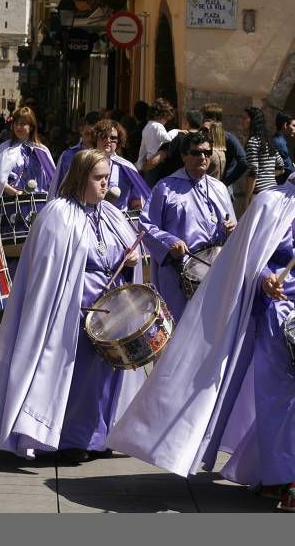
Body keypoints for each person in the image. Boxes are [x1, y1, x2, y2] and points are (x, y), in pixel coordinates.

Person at [106, 172, 295, 513]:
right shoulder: (271, 203)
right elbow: (250, 256)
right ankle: (281, 478)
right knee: (280, 396)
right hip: (277, 313)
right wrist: (267, 279)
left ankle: (275, 473)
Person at [0, 149, 145, 462]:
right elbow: (46, 273)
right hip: (72, 312)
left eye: (107, 178)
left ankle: (97, 437)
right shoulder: (58, 214)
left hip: (111, 313)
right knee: (77, 378)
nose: (105, 185)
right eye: (98, 178)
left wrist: (130, 259)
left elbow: (128, 250)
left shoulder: (112, 214)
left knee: (106, 378)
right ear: (80, 178)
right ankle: (68, 441)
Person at [140, 131, 236, 321]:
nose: (203, 157)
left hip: (215, 270)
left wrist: (233, 228)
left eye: (207, 153)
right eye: (197, 153)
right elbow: (146, 226)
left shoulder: (220, 188)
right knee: (182, 327)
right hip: (180, 270)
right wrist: (170, 243)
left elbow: (233, 225)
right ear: (184, 156)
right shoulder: (166, 187)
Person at [0, 106, 55, 199]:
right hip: (11, 204)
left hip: (38, 204)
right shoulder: (5, 149)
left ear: (31, 127)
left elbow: (53, 181)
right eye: (16, 123)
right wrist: (15, 193)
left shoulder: (42, 151)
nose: (18, 127)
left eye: (23, 124)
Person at [87, 119, 151, 212]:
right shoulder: (84, 163)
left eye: (113, 138)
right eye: (103, 136)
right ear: (96, 138)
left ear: (118, 142)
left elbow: (136, 202)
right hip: (89, 218)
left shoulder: (127, 168)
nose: (108, 140)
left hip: (119, 221)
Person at [50, 111, 101, 197]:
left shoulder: (106, 155)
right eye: (87, 134)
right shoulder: (68, 155)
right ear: (81, 131)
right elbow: (57, 186)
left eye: (94, 135)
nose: (90, 139)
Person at [243, 106, 284, 207]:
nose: (242, 121)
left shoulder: (253, 141)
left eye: (244, 118)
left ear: (253, 121)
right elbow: (281, 167)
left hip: (260, 195)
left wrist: (247, 199)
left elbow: (253, 172)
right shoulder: (268, 141)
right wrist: (268, 174)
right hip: (274, 192)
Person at [135, 97, 174, 178]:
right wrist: (176, 131)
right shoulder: (158, 126)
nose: (166, 122)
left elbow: (142, 149)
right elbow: (167, 138)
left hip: (148, 164)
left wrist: (139, 165)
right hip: (158, 164)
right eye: (166, 119)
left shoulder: (147, 127)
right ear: (163, 115)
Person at [273, 112, 295, 184]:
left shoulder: (278, 140)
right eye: (294, 125)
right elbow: (287, 167)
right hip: (281, 185)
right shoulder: (279, 143)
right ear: (285, 125)